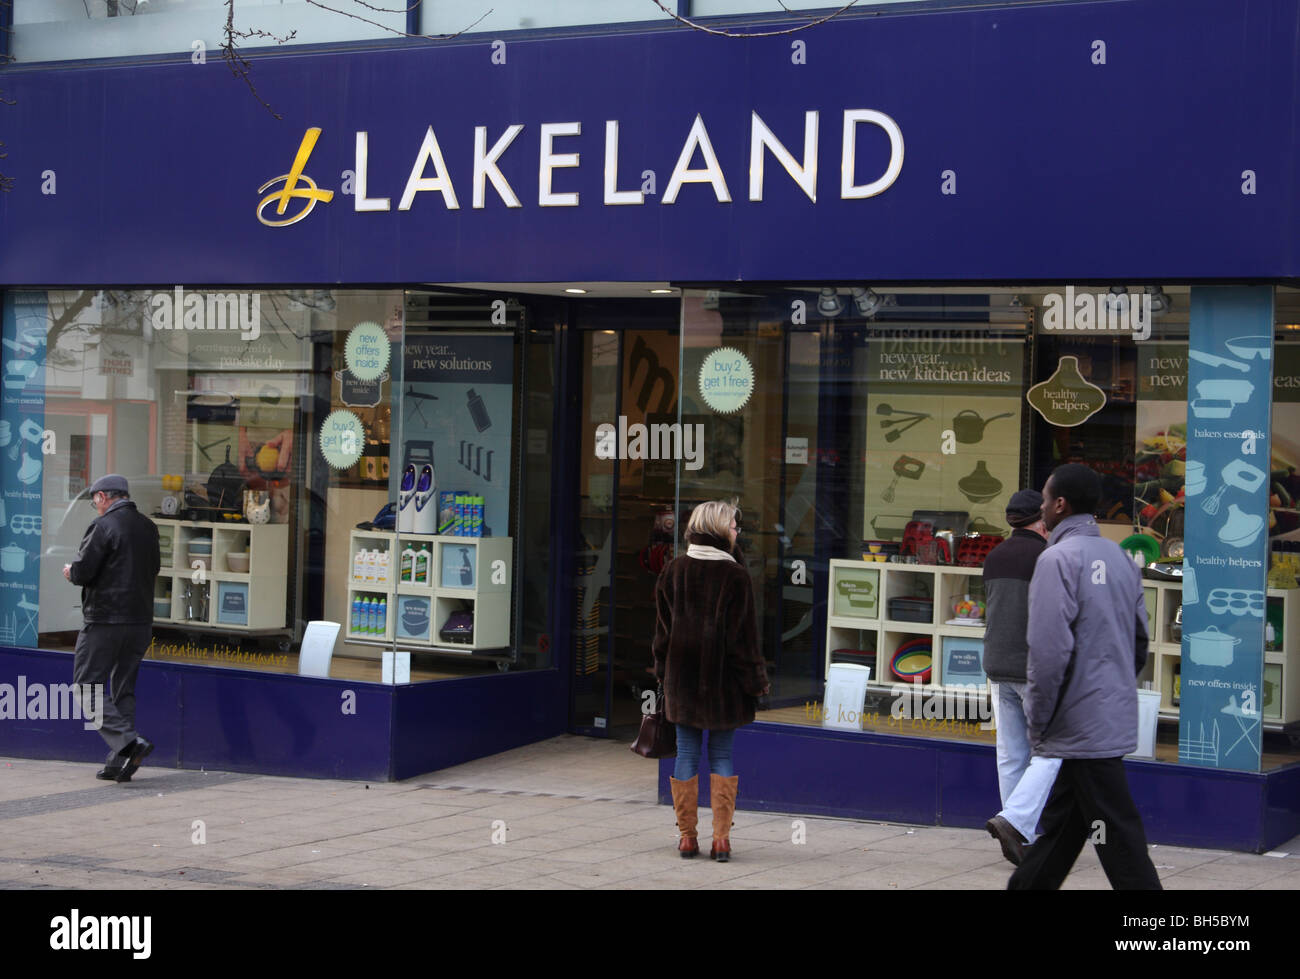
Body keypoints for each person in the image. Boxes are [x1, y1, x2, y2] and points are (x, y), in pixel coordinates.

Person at [1008, 463, 1161, 890]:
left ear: (1060, 504)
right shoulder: (1121, 559)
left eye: (1043, 499)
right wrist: (1111, 692)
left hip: (1076, 724)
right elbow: (1139, 642)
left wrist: (1038, 720)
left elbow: (1048, 652)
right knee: (1065, 827)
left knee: (1119, 838)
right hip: (1103, 716)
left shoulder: (1056, 559)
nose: (1040, 507)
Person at [652, 499, 769, 861]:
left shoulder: (674, 570)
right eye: (734, 525)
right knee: (721, 755)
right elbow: (744, 641)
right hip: (725, 684)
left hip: (682, 681)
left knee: (686, 753)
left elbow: (662, 634)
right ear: (719, 529)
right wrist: (756, 682)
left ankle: (687, 838)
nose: (738, 531)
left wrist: (662, 673)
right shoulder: (736, 576)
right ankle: (721, 840)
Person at [63, 475, 161, 783]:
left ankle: (129, 743)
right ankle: (120, 763)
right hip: (140, 621)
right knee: (123, 688)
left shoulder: (103, 526)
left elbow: (84, 571)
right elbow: (155, 569)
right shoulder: (148, 527)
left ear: (103, 497)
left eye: (95, 500)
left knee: (86, 686)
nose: (95, 506)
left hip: (105, 621)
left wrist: (70, 571)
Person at [982, 489, 1059, 865]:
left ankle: (1019, 835)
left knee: (1011, 753)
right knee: (1053, 749)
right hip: (1034, 668)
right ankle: (1015, 821)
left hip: (997, 664)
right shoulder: (1047, 557)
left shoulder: (995, 556)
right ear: (1041, 521)